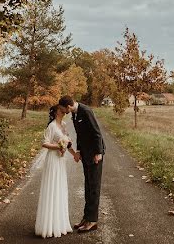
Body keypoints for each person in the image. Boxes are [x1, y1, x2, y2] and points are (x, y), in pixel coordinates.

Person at [58, 95, 104, 233]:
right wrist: (78, 151)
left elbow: (97, 133)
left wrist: (98, 152)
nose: (63, 112)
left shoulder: (86, 111)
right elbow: (80, 135)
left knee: (94, 187)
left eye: (63, 109)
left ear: (68, 106)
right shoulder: (75, 113)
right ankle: (86, 218)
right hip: (85, 154)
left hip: (95, 154)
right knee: (88, 186)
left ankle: (93, 221)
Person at [34, 105, 73, 238]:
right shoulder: (51, 126)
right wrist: (59, 146)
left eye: (64, 110)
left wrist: (69, 148)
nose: (64, 112)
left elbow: (67, 140)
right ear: (56, 112)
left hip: (61, 161)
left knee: (60, 189)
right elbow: (44, 143)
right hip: (52, 160)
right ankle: (48, 226)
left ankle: (60, 224)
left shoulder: (64, 124)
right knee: (52, 188)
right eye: (61, 110)